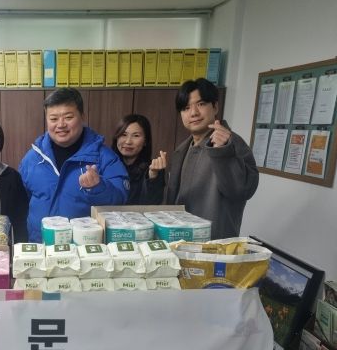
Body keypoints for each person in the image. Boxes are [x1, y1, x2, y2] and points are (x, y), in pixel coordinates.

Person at [148, 78, 259, 239]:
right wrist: (155, 178)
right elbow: (173, 201)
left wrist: (223, 152)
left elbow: (242, 191)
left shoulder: (232, 143)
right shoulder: (182, 149)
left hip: (213, 244)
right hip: (179, 240)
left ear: (215, 107)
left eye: (201, 104)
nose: (193, 113)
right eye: (186, 108)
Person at [19, 88, 128, 242]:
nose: (61, 124)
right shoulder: (32, 158)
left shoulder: (104, 157)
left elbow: (120, 199)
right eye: (53, 119)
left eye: (68, 117)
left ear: (82, 116)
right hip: (41, 247)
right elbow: (23, 202)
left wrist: (98, 187)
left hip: (85, 248)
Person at [111, 114, 167, 205]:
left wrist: (153, 176)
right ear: (116, 137)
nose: (128, 141)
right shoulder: (106, 165)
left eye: (136, 136)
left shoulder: (153, 169)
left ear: (145, 141)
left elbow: (152, 205)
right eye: (124, 134)